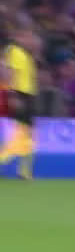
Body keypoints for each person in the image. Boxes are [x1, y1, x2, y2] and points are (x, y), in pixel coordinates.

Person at [0, 27, 38, 180]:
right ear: (18, 37)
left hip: (28, 96)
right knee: (21, 136)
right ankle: (23, 170)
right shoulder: (15, 51)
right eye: (27, 37)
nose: (32, 41)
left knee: (27, 136)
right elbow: (10, 73)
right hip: (20, 95)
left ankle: (24, 171)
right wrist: (12, 95)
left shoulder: (24, 54)